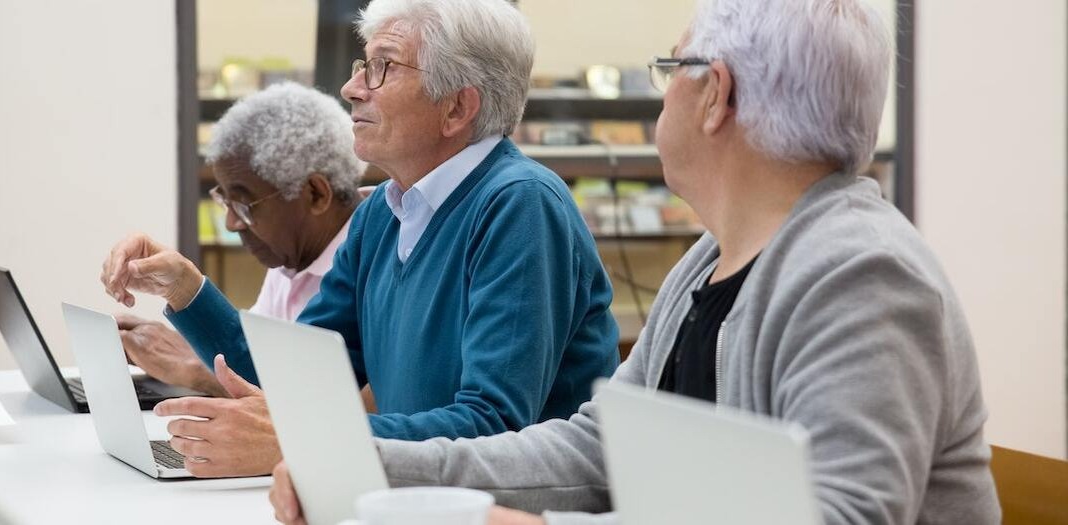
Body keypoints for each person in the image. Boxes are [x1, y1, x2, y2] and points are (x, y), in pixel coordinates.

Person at [269, 0, 1002, 523]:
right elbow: (598, 447)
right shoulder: (708, 261)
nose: (664, 92)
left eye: (671, 67)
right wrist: (376, 466)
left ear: (716, 95)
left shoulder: (862, 276)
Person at [101, 0, 620, 479]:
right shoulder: (381, 213)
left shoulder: (520, 205)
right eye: (361, 65)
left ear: (457, 109)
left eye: (383, 66)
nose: (352, 89)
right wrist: (186, 290)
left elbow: (494, 429)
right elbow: (294, 377)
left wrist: (301, 440)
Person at [106, 82, 367, 400]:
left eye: (244, 205)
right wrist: (183, 332)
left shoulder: (371, 258)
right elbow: (255, 360)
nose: (231, 223)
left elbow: (313, 399)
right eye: (224, 201)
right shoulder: (293, 256)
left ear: (315, 194)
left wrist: (194, 369)